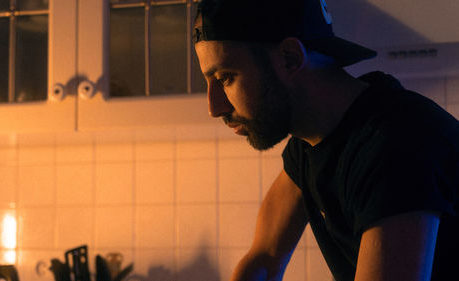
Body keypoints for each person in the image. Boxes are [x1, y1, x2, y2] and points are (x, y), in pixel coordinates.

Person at [192, 0, 459, 280]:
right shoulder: (311, 143)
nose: (214, 107)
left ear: (290, 58)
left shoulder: (393, 144)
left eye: (225, 78)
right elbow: (264, 258)